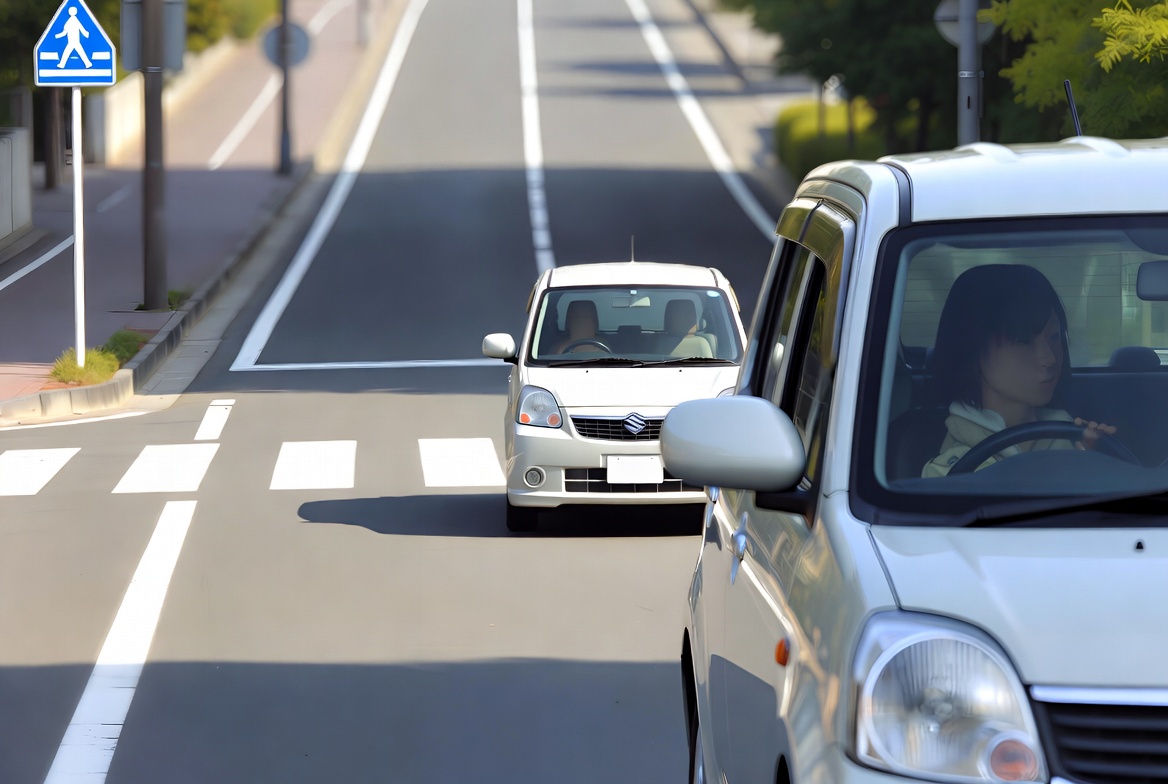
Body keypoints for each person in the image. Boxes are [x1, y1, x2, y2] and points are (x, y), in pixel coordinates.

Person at [922, 264, 1115, 477]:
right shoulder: (946, 470)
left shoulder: (1076, 436)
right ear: (973, 349)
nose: (1049, 359)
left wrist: (1096, 461)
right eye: (1024, 341)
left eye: (1054, 336)